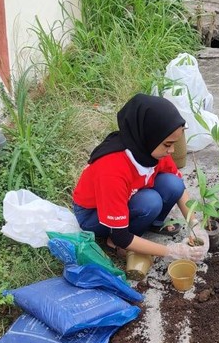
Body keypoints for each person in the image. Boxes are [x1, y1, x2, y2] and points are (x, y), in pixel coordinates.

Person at [72, 93, 208, 262]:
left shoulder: (148, 149)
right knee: (150, 202)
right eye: (168, 144)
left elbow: (178, 187)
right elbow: (122, 236)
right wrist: (172, 251)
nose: (172, 151)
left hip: (128, 195)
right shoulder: (112, 169)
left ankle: (153, 224)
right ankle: (114, 243)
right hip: (93, 215)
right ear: (148, 137)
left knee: (173, 184)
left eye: (174, 143)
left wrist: (195, 224)